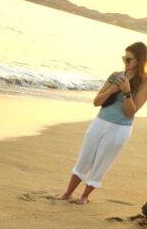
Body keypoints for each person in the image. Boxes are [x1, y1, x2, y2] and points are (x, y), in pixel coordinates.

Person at [58, 42, 147, 204]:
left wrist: (127, 92)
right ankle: (68, 192)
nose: (125, 62)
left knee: (102, 162)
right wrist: (111, 90)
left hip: (120, 128)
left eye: (129, 59)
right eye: (124, 58)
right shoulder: (115, 75)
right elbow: (96, 102)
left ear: (140, 61)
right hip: (99, 122)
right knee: (84, 157)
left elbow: (130, 112)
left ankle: (84, 196)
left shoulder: (144, 82)